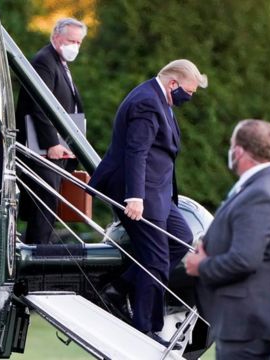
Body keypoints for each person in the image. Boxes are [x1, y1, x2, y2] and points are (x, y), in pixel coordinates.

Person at [88, 59, 207, 346]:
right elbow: (136, 152)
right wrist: (135, 197)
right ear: (173, 83)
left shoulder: (160, 99)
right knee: (154, 259)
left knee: (181, 239)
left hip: (160, 193)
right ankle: (144, 331)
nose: (189, 98)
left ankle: (120, 286)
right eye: (189, 92)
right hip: (141, 192)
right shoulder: (147, 102)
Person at [185, 119, 270, 360]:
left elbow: (245, 259)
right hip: (250, 317)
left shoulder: (261, 193)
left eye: (231, 146)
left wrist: (201, 265)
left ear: (238, 151)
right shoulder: (268, 183)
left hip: (249, 320)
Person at [15, 18, 87, 244]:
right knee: (44, 202)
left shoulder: (60, 64)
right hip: (44, 149)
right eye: (70, 40)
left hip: (60, 148)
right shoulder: (44, 61)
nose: (74, 46)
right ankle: (37, 252)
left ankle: (39, 247)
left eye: (78, 42)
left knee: (50, 204)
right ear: (56, 37)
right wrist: (50, 143)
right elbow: (39, 103)